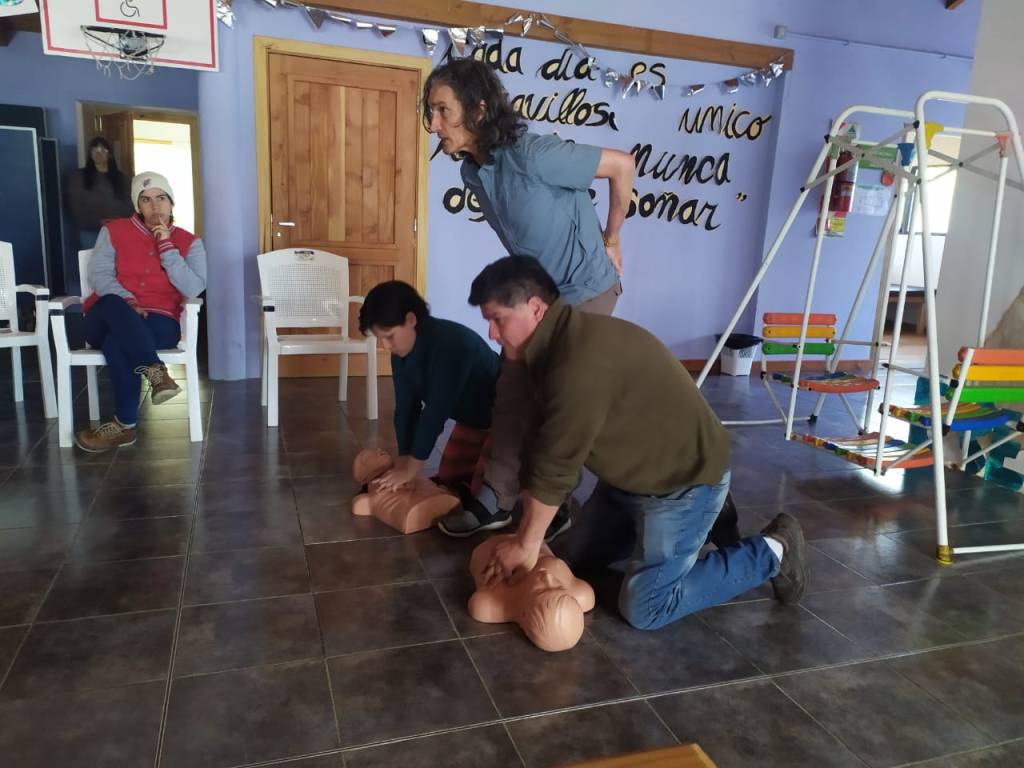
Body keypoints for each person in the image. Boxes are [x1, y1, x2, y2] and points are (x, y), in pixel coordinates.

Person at [468, 256, 809, 631]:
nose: (492, 333)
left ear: (536, 309)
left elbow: (556, 465)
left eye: (497, 319)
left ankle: (774, 550)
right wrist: (527, 536)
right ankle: (701, 523)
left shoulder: (578, 363)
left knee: (646, 608)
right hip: (630, 478)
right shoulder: (545, 351)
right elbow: (535, 439)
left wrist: (526, 542)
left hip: (681, 483)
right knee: (577, 562)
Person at [422, 58, 636, 537]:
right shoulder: (474, 174)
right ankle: (496, 498)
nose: (434, 125)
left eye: (442, 110)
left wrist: (613, 237)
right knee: (512, 388)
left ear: (478, 109)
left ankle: (554, 504)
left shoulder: (534, 154)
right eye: (430, 112)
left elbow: (622, 166)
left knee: (558, 398)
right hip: (539, 297)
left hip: (587, 289)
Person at [74, 172, 207, 452]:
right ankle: (156, 371)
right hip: (106, 315)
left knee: (117, 342)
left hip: (159, 321)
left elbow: (194, 287)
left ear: (171, 202)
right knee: (114, 303)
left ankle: (125, 427)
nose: (155, 205)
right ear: (138, 205)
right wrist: (128, 301)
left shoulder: (190, 242)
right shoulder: (114, 231)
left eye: (161, 198)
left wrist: (167, 246)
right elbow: (99, 274)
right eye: (146, 200)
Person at [358, 281, 500, 502]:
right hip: (474, 420)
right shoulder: (401, 353)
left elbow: (434, 413)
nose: (385, 346)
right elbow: (406, 410)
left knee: (483, 493)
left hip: (507, 421)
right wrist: (404, 462)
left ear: (411, 319)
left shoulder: (452, 345)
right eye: (379, 338)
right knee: (450, 482)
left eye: (389, 336)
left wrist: (411, 469)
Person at [468, 534, 595, 652]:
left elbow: (478, 602)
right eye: (559, 586)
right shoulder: (583, 594)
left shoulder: (490, 602)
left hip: (494, 544)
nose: (548, 577)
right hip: (533, 535)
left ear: (523, 615)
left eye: (540, 590)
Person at [351, 448, 461, 534]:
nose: (380, 450)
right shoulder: (373, 491)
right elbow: (359, 503)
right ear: (365, 477)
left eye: (378, 449)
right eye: (368, 456)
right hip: (415, 511)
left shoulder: (403, 472)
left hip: (437, 499)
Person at [67, 136, 134, 249]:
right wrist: (98, 221)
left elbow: (130, 204)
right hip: (90, 231)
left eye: (103, 149)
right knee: (93, 259)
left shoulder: (123, 179)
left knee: (119, 259)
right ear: (90, 153)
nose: (99, 153)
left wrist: (116, 221)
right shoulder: (79, 177)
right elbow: (75, 205)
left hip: (118, 230)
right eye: (95, 149)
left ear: (110, 154)